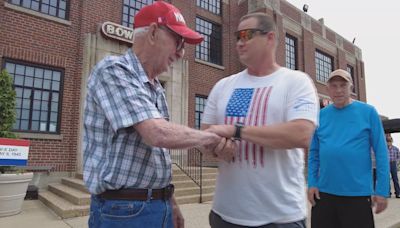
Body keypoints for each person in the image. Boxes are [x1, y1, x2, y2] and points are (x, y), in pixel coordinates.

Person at [82, 1, 229, 228]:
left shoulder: (155, 88)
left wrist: (170, 200)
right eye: (178, 42)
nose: (181, 53)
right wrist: (213, 136)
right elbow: (157, 134)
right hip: (123, 212)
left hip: (156, 205)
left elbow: (156, 155)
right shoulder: (113, 70)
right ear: (152, 32)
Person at [201, 12, 319, 228]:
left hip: (279, 219)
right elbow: (206, 135)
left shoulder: (296, 82)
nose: (239, 42)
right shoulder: (223, 85)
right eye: (237, 36)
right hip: (224, 216)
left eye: (247, 35)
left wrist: (235, 131)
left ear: (270, 38)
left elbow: (302, 134)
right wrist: (217, 148)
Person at [308, 69, 389, 228]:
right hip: (324, 194)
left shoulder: (368, 112)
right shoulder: (320, 115)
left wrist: (382, 190)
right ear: (327, 89)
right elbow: (314, 153)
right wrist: (311, 182)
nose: (338, 90)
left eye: (343, 85)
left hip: (357, 195)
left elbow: (381, 153)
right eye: (334, 86)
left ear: (351, 88)